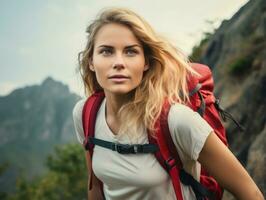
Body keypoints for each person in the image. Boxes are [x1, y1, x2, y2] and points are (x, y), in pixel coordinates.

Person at [72, 7, 264, 200]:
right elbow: (95, 186)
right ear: (90, 61)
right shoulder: (86, 114)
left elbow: (250, 193)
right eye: (106, 51)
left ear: (146, 62)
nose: (118, 62)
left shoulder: (176, 121)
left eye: (130, 52)